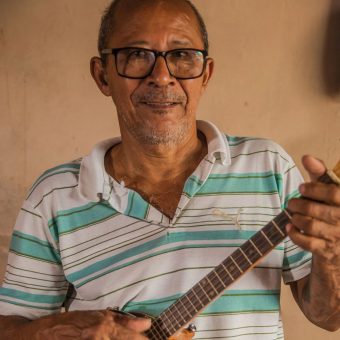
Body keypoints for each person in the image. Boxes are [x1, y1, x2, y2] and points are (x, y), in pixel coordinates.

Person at [0, 0, 339, 339]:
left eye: (181, 56)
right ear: (102, 75)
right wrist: (63, 329)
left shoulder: (269, 166)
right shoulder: (54, 195)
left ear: (205, 74)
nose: (162, 77)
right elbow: (9, 327)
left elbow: (329, 317)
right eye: (136, 54)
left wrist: (333, 253)